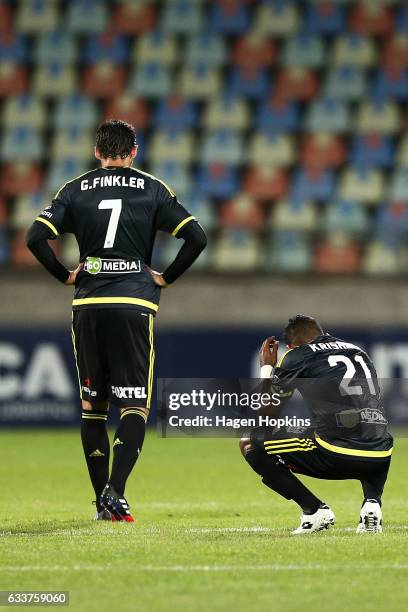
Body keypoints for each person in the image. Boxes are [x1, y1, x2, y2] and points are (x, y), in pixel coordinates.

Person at [27, 119, 207, 521]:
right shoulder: (153, 188)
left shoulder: (73, 189)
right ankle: (117, 491)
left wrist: (65, 275)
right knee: (134, 407)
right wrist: (165, 277)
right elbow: (197, 237)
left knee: (93, 407)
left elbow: (34, 238)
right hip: (133, 302)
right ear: (134, 151)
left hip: (88, 303)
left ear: (97, 152)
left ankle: (101, 504)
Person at [240, 314, 393, 534]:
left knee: (250, 442)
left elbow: (265, 415)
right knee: (370, 428)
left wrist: (267, 368)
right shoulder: (358, 351)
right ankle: (372, 504)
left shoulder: (298, 356)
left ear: (293, 344)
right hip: (381, 455)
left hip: (336, 453)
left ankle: (314, 510)